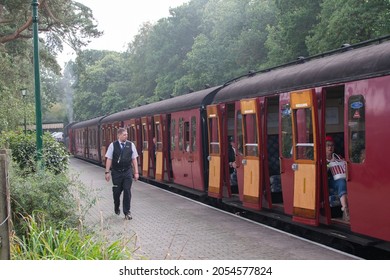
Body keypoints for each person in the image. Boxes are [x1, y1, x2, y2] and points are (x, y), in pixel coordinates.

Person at [105, 128, 139, 220]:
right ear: (119, 135)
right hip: (116, 172)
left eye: (126, 134)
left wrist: (136, 172)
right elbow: (109, 159)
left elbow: (134, 159)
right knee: (117, 192)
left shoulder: (131, 145)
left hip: (127, 171)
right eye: (124, 134)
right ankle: (116, 206)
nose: (126, 136)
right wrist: (107, 172)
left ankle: (127, 212)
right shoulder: (113, 145)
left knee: (127, 191)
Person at [325, 135, 349, 222]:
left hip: (341, 177)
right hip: (330, 180)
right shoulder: (322, 158)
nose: (330, 147)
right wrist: (327, 165)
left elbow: (345, 166)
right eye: (327, 145)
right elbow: (322, 174)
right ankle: (345, 208)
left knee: (347, 182)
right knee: (341, 182)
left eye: (331, 145)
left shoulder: (338, 156)